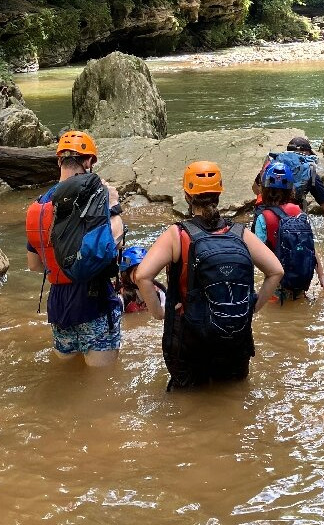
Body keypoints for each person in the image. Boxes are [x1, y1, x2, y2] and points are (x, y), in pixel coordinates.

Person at [135, 161, 284, 389]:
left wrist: (158, 312)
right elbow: (276, 271)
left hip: (189, 338)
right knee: (233, 397)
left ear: (187, 195)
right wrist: (251, 307)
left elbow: (142, 276)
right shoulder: (239, 233)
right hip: (235, 337)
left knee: (186, 404)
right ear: (219, 193)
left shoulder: (178, 235)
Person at [25, 130, 124, 367]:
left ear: (59, 160)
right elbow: (112, 246)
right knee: (102, 387)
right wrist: (114, 207)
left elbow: (34, 265)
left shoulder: (38, 207)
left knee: (67, 377)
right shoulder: (98, 198)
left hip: (59, 305)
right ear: (89, 161)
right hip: (94, 300)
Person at [253, 161, 324, 302]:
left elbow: (258, 256)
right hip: (301, 276)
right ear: (291, 189)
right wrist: (322, 276)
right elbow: (310, 248)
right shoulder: (298, 211)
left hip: (276, 283)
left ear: (264, 188)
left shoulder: (263, 218)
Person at [252, 136, 324, 231]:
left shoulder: (273, 165)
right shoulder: (308, 171)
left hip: (263, 216)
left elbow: (255, 188)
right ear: (306, 153)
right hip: (291, 220)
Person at [115, 246, 166, 314]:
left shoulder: (159, 291)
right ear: (126, 274)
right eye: (137, 271)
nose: (143, 274)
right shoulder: (121, 297)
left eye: (146, 270)